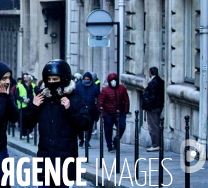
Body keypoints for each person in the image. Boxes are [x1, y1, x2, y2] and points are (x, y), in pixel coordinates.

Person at [24, 59, 92, 188]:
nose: (51, 82)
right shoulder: (41, 99)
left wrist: (70, 109)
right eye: (49, 79)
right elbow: (26, 125)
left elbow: (85, 124)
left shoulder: (75, 100)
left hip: (65, 162)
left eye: (55, 79)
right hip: (45, 162)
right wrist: (33, 107)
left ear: (63, 78)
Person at [98, 72, 130, 153]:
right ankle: (109, 145)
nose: (113, 82)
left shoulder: (122, 88)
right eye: (112, 80)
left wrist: (126, 110)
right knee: (108, 129)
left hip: (120, 112)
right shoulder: (105, 90)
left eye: (115, 80)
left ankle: (116, 139)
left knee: (122, 126)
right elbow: (100, 101)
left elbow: (126, 99)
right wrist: (102, 112)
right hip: (108, 113)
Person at [74, 72, 100, 148]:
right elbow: (75, 95)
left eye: (88, 79)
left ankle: (87, 141)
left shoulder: (94, 86)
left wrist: (97, 106)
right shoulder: (78, 85)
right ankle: (81, 139)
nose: (86, 80)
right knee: (80, 125)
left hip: (91, 109)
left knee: (89, 126)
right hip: (80, 109)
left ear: (90, 79)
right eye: (85, 79)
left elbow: (99, 96)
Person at [142, 67, 164, 151]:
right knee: (156, 125)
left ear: (150, 73)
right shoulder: (161, 81)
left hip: (153, 108)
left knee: (153, 126)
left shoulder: (152, 83)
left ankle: (155, 144)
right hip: (159, 106)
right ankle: (157, 143)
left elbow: (152, 97)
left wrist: (149, 106)